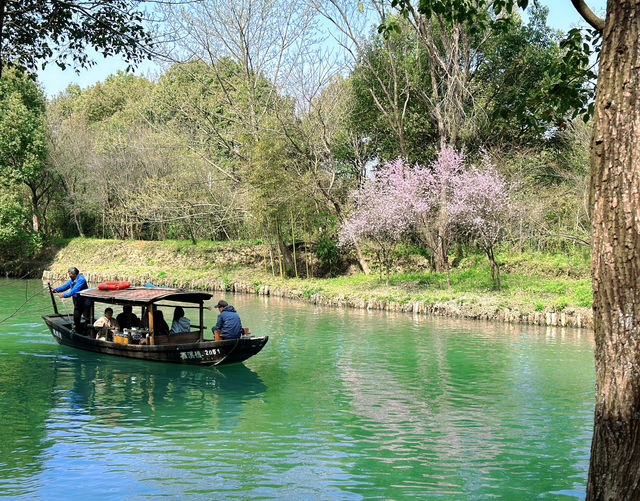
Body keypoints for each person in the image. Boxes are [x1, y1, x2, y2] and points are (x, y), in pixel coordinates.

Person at [53, 266, 92, 334]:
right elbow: (65, 286)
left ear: (73, 274)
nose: (69, 275)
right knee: (76, 318)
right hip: (77, 303)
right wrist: (55, 290)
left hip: (85, 303)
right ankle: (78, 332)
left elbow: (74, 290)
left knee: (87, 319)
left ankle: (86, 333)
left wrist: (64, 295)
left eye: (69, 274)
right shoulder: (72, 280)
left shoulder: (81, 280)